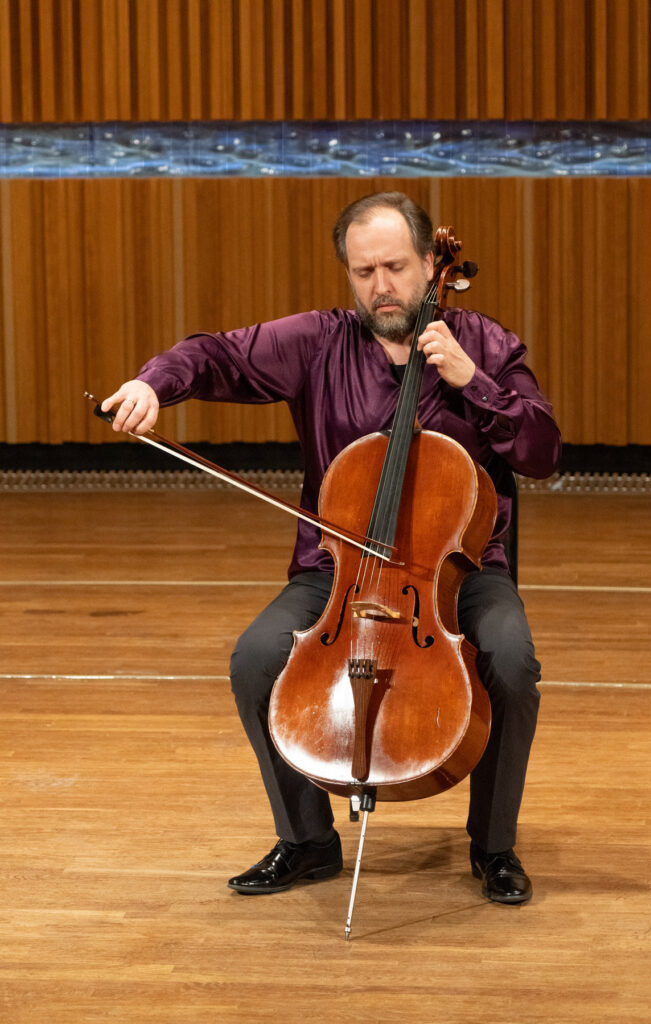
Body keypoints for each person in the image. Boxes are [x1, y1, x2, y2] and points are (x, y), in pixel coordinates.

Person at [102, 191, 561, 905]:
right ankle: (307, 841)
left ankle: (493, 846)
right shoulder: (319, 342)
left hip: (462, 571)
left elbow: (543, 452)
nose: (382, 287)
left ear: (429, 263)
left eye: (396, 268)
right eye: (363, 272)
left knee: (511, 657)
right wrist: (152, 383)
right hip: (337, 571)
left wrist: (474, 383)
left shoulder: (487, 345)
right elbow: (215, 354)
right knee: (255, 660)